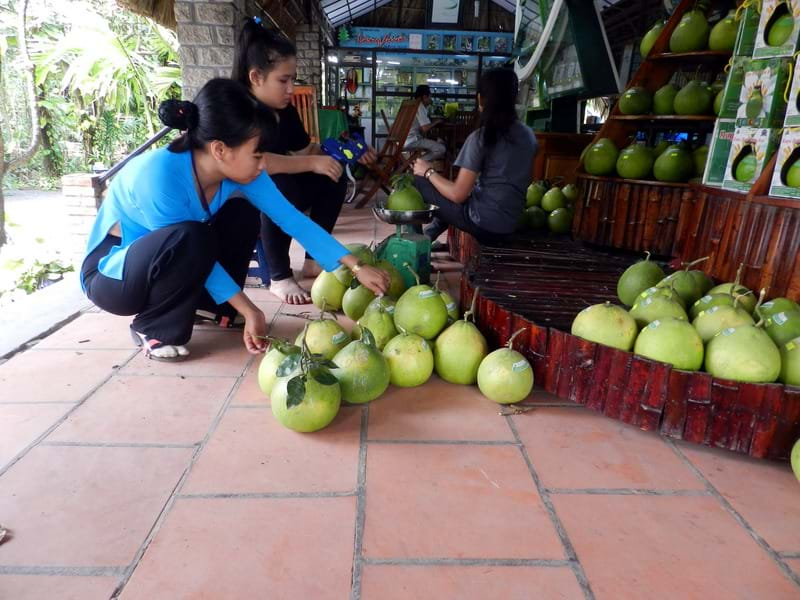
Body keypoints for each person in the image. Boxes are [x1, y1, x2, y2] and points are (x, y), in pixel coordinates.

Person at [80, 78, 390, 362]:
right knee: (192, 235)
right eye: (257, 153)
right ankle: (152, 326)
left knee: (241, 214)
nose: (262, 163)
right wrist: (251, 309)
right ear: (220, 149)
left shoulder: (241, 173)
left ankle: (214, 308)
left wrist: (356, 266)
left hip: (163, 261)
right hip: (113, 277)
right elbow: (186, 249)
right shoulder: (158, 176)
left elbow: (293, 221)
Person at [233, 18, 378, 305]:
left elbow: (303, 151)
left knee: (332, 176)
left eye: (292, 80)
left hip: (272, 186)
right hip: (237, 196)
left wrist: (348, 151)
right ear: (256, 77)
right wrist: (312, 164)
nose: (291, 89)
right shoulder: (237, 109)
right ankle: (279, 275)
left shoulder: (283, 109)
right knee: (280, 186)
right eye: (283, 80)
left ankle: (313, 260)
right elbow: (256, 163)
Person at [411, 69, 538, 246]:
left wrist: (427, 172)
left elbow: (457, 195)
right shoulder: (529, 135)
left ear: (480, 99)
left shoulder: (482, 137)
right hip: (511, 224)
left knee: (416, 182)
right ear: (514, 98)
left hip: (484, 225)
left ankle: (415, 247)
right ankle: (428, 238)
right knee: (452, 193)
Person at [404, 85, 446, 161]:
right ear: (424, 97)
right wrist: (436, 122)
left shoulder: (411, 105)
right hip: (411, 141)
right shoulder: (420, 106)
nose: (431, 99)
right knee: (441, 149)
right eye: (430, 97)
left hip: (402, 140)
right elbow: (425, 129)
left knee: (433, 143)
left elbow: (419, 128)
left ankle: (413, 164)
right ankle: (416, 164)